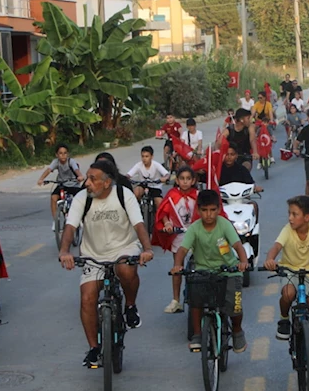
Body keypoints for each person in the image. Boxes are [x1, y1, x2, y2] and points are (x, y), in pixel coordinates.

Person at [59, 161, 155, 367]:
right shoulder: (81, 198)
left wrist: (147, 249)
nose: (87, 183)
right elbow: (70, 227)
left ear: (107, 182)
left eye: (93, 179)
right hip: (93, 254)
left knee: (125, 269)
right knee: (87, 298)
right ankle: (94, 348)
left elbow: (139, 224)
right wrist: (64, 251)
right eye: (87, 177)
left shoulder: (123, 195)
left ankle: (130, 306)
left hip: (124, 248)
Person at [263, 195, 309, 380]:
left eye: (295, 214)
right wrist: (270, 259)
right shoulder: (288, 230)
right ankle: (284, 319)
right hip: (290, 272)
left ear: (307, 217)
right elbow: (276, 247)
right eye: (289, 213)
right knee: (288, 293)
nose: (290, 218)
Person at [171, 189, 249, 352]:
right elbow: (183, 249)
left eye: (213, 210)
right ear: (198, 211)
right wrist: (178, 265)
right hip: (203, 271)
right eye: (205, 210)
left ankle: (237, 331)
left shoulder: (224, 224)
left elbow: (237, 245)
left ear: (219, 209)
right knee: (195, 300)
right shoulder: (195, 228)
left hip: (228, 271)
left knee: (235, 305)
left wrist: (243, 262)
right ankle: (198, 334)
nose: (209, 214)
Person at [154, 166, 199, 314]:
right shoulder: (172, 195)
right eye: (182, 179)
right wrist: (167, 223)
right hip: (179, 234)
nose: (185, 182)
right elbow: (164, 212)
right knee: (177, 266)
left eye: (188, 179)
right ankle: (176, 300)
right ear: (177, 180)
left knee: (200, 264)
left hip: (196, 234)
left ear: (193, 180)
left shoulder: (198, 195)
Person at [36, 144, 84, 230]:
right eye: (60, 153)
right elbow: (48, 170)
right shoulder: (56, 162)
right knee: (53, 197)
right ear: (57, 155)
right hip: (62, 184)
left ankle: (79, 218)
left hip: (73, 184)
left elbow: (76, 170)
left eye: (65, 153)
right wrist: (41, 179)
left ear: (68, 154)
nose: (63, 155)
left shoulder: (71, 161)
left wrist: (80, 176)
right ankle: (55, 221)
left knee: (79, 199)